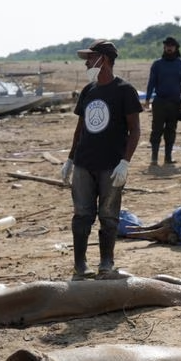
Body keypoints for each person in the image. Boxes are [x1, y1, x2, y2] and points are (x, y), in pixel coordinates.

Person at [61, 40, 142, 280]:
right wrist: (69, 159)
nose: (86, 63)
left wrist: (125, 162)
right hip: (84, 164)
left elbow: (135, 130)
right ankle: (80, 264)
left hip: (111, 166)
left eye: (90, 58)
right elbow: (80, 128)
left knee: (108, 216)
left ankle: (106, 262)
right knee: (82, 215)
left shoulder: (124, 90)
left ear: (103, 59)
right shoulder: (88, 90)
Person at [144, 36, 181, 166]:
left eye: (171, 46)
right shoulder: (157, 64)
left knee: (171, 131)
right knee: (156, 130)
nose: (169, 48)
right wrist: (147, 99)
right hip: (159, 102)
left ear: (176, 48)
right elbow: (151, 82)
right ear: (164, 48)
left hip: (175, 103)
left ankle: (168, 157)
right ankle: (154, 158)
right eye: (167, 46)